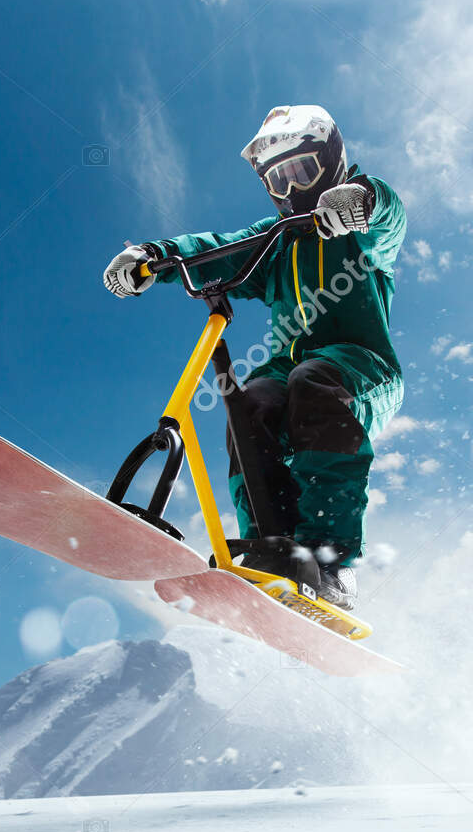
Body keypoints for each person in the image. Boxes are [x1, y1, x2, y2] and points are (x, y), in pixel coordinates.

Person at [102, 105, 405, 610]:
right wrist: (154, 256)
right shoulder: (278, 242)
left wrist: (363, 199)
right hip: (290, 374)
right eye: (277, 180)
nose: (290, 191)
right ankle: (274, 551)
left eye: (301, 173)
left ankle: (330, 561)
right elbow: (218, 248)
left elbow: (388, 217)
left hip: (361, 369)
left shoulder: (360, 228)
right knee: (252, 400)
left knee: (313, 381)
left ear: (332, 162)